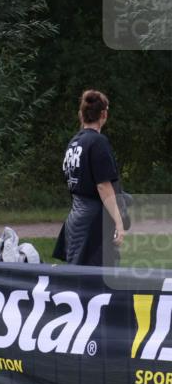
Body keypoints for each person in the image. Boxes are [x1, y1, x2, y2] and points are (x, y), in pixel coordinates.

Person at [54, 90, 126, 266]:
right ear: (104, 114)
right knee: (98, 283)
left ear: (81, 114)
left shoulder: (74, 143)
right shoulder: (98, 142)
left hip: (75, 218)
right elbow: (103, 187)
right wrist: (119, 222)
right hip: (94, 223)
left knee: (77, 279)